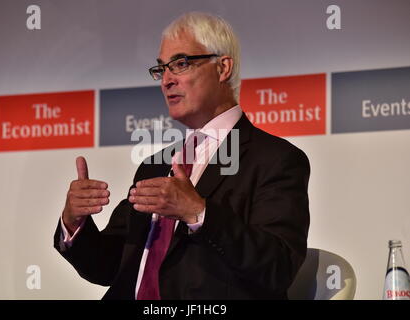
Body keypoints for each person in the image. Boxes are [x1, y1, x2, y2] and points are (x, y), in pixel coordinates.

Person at [54, 12, 310, 300]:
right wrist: (74, 223)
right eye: (161, 69)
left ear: (223, 67)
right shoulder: (154, 166)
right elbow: (109, 267)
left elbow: (278, 266)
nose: (166, 80)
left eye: (180, 64)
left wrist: (199, 212)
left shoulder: (276, 159)